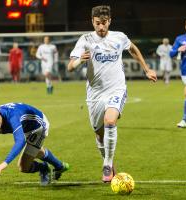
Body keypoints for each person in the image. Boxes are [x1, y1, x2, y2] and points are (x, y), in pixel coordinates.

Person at [67, 5, 157, 183]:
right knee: (99, 134)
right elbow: (70, 66)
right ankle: (107, 160)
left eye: (104, 23)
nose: (101, 27)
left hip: (116, 88)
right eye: (98, 23)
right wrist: (78, 61)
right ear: (92, 21)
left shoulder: (119, 37)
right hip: (94, 94)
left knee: (110, 120)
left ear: (110, 21)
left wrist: (146, 69)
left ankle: (107, 164)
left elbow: (133, 49)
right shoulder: (85, 39)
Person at [0, 103, 69, 190]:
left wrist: (4, 163)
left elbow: (20, 141)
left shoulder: (12, 116)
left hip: (37, 126)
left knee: (23, 166)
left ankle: (44, 168)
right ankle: (59, 166)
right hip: (24, 127)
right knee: (33, 150)